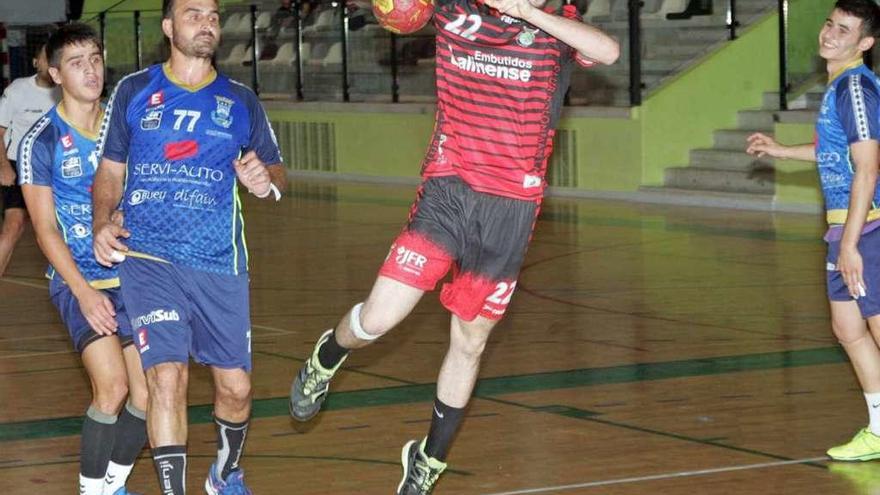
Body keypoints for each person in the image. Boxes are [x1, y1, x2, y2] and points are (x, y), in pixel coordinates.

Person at [288, 0, 619, 492]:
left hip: (511, 210)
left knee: (471, 341)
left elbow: (608, 51)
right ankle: (326, 358)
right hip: (448, 191)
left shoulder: (557, 22)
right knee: (378, 320)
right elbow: (399, 11)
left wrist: (529, 13)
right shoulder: (452, 7)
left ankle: (428, 460)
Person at [92, 0, 286, 493]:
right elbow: (110, 172)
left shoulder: (241, 101)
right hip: (149, 259)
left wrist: (266, 181)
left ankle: (224, 474)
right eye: (193, 13)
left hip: (219, 263)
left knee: (236, 390)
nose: (206, 23)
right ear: (167, 27)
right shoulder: (135, 91)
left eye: (214, 16)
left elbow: (276, 169)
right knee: (165, 379)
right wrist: (101, 221)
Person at [746, 0, 880, 463]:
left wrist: (850, 243)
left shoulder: (857, 88)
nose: (829, 34)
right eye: (829, 23)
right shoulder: (839, 85)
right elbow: (834, 153)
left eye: (844, 30)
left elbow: (867, 167)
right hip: (845, 228)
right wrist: (782, 151)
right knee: (847, 328)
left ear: (864, 43)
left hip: (868, 228)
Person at [17, 23, 147, 495]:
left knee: (150, 396)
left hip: (135, 276)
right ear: (54, 74)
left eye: (94, 58)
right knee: (112, 388)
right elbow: (45, 228)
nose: (90, 70)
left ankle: (111, 484)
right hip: (80, 280)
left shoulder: (127, 123)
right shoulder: (41, 140)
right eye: (76, 63)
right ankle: (92, 491)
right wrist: (84, 291)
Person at [0, 44, 60, 276]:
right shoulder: (18, 89)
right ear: (37, 62)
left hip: (53, 167)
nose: (49, 62)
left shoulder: (66, 92)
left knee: (55, 227)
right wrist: (4, 167)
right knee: (13, 224)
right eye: (46, 58)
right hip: (18, 165)